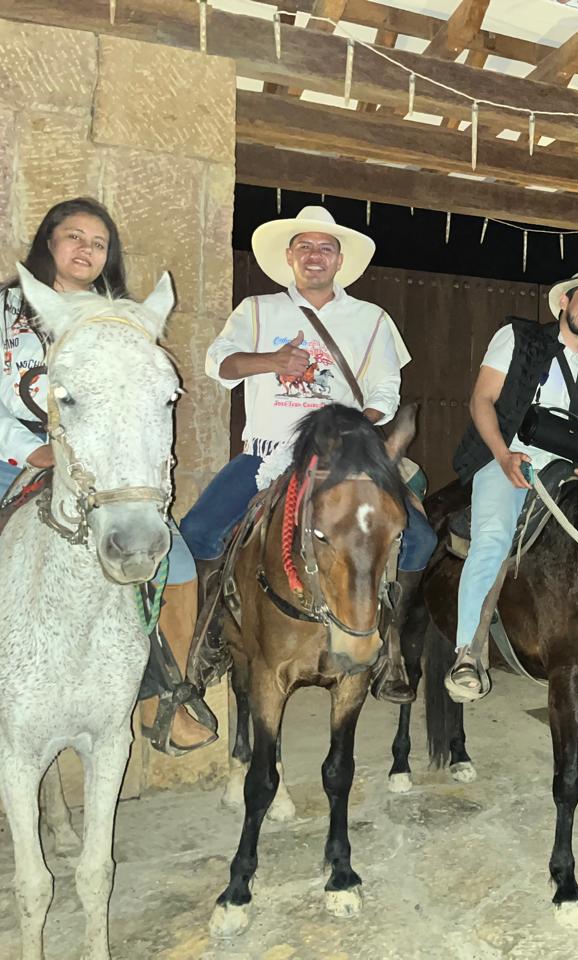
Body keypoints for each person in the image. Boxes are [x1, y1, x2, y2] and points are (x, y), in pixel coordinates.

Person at [179, 205, 435, 703]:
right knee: (199, 530)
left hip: (345, 461)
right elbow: (219, 364)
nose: (315, 255)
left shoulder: (371, 319)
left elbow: (386, 390)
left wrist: (358, 430)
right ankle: (210, 636)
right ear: (289, 256)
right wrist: (271, 360)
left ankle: (390, 644)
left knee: (419, 540)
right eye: (305, 247)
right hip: (269, 454)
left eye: (325, 248)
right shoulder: (257, 309)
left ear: (339, 260)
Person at [0, 197, 213, 751]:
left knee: (177, 564)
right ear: (48, 241)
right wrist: (30, 450)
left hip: (97, 461)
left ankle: (166, 697)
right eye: (74, 236)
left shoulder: (122, 318)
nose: (85, 249)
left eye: (99, 243)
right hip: (5, 452)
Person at [446, 267, 578, 700]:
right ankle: (468, 652)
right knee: (493, 538)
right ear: (564, 302)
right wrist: (502, 455)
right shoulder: (517, 337)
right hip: (508, 457)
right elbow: (482, 400)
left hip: (568, 470)